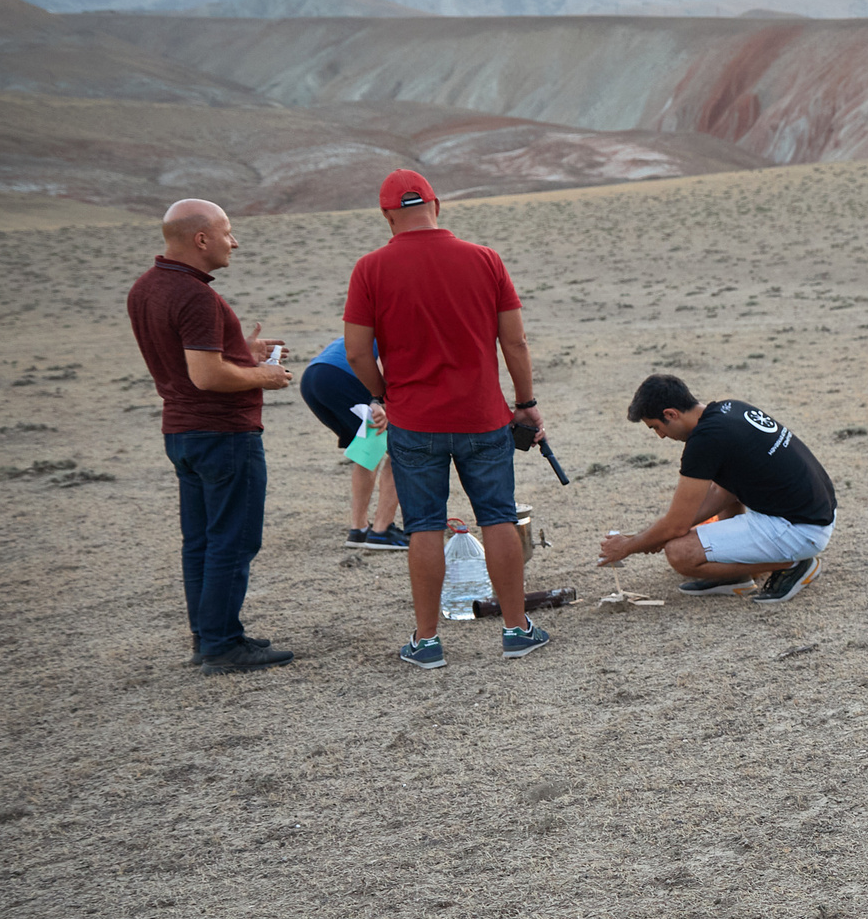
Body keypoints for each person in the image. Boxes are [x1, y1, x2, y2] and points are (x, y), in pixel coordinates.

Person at [341, 170, 550, 669]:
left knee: (424, 527)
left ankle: (428, 642)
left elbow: (354, 352)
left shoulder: (369, 269)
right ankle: (517, 630)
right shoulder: (485, 260)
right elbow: (515, 342)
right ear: (439, 204)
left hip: (415, 422)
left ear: (386, 214)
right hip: (482, 416)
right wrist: (525, 401)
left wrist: (382, 392)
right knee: (497, 515)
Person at [125, 199, 296, 673]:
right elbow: (205, 375)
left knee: (200, 541)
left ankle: (210, 635)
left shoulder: (146, 288)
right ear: (201, 239)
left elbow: (186, 357)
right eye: (227, 232)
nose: (234, 242)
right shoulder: (195, 295)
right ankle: (222, 645)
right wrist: (264, 375)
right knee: (233, 540)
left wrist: (241, 351)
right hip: (222, 433)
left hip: (182, 432)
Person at [598, 373, 834, 600]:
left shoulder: (705, 440)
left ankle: (792, 563)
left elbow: (676, 525)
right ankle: (735, 577)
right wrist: (651, 536)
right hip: (816, 514)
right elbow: (723, 492)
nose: (660, 436)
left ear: (670, 414)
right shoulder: (730, 408)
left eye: (656, 427)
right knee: (710, 502)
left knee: (680, 553)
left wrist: (628, 546)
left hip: (799, 529)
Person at [298, 329, 403, 550]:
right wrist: (381, 401)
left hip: (312, 377)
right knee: (404, 451)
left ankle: (359, 529)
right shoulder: (411, 329)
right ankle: (382, 530)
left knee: (368, 452)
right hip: (345, 377)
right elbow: (388, 365)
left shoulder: (382, 324)